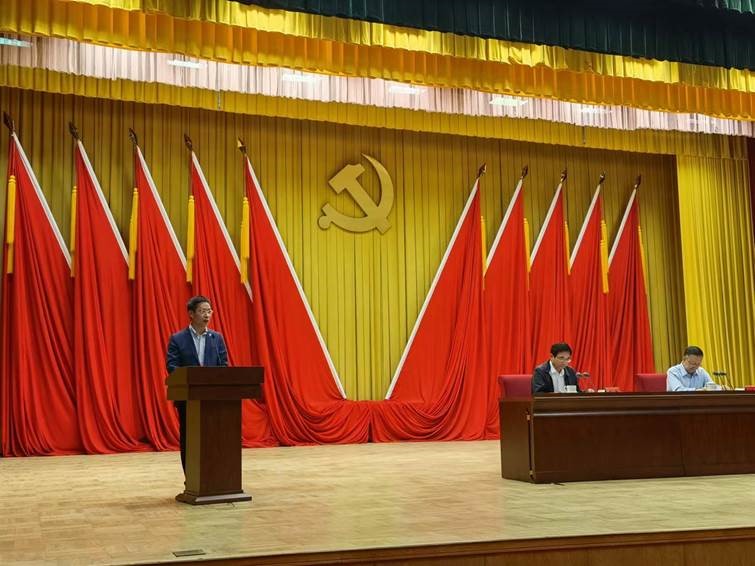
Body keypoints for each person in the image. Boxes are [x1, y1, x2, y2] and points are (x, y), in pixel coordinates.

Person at [166, 295, 228, 472]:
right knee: (189, 439)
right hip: (188, 400)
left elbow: (223, 366)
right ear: (191, 314)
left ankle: (212, 476)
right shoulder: (178, 339)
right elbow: (172, 366)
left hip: (212, 400)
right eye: (202, 311)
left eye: (209, 311)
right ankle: (191, 478)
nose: (207, 315)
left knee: (213, 438)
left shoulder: (217, 338)